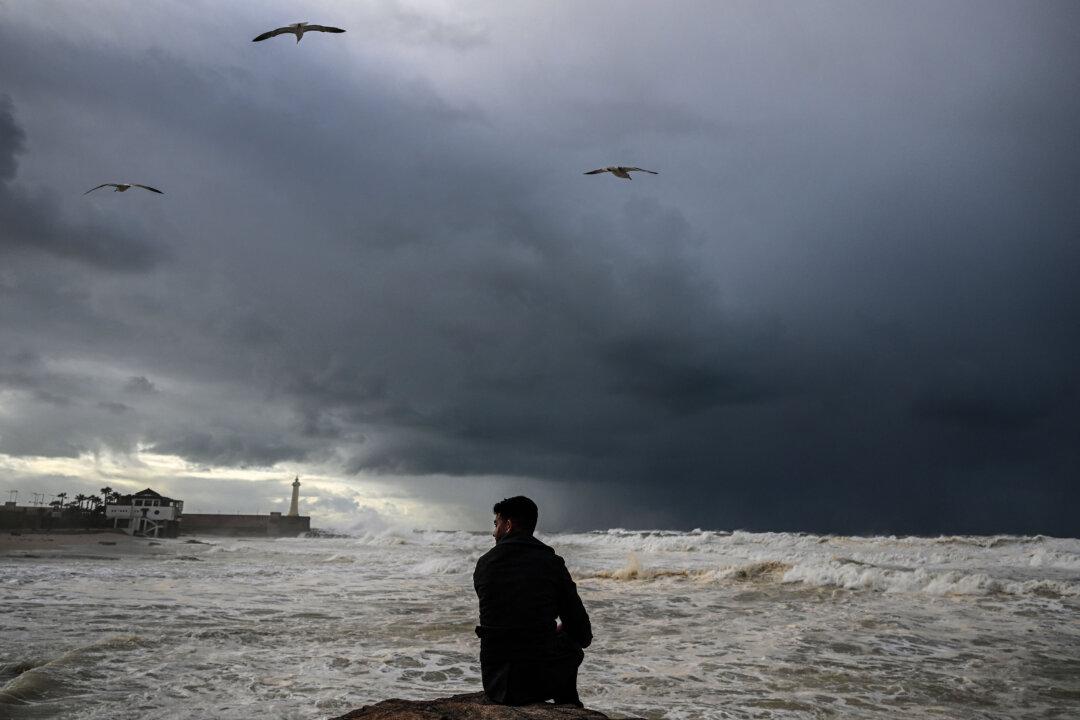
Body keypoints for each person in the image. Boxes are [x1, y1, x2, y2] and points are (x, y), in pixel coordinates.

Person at [473, 496, 592, 707]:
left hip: (495, 682)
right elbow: (583, 634)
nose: (493, 532)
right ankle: (569, 708)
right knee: (570, 642)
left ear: (508, 525)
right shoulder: (551, 564)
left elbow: (502, 612)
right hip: (537, 680)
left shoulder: (485, 564)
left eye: (496, 524)